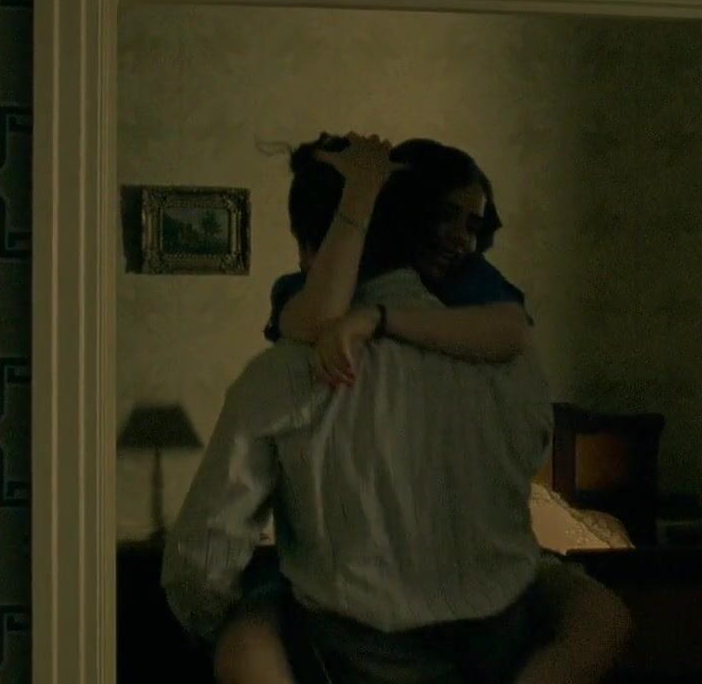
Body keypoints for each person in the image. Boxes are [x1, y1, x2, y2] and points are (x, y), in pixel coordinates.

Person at [167, 133, 631, 684]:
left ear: (312, 247)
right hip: (500, 645)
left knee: (254, 620)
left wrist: (215, 623)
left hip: (341, 656)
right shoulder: (513, 362)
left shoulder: (284, 372)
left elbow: (204, 556)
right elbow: (529, 454)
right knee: (582, 603)